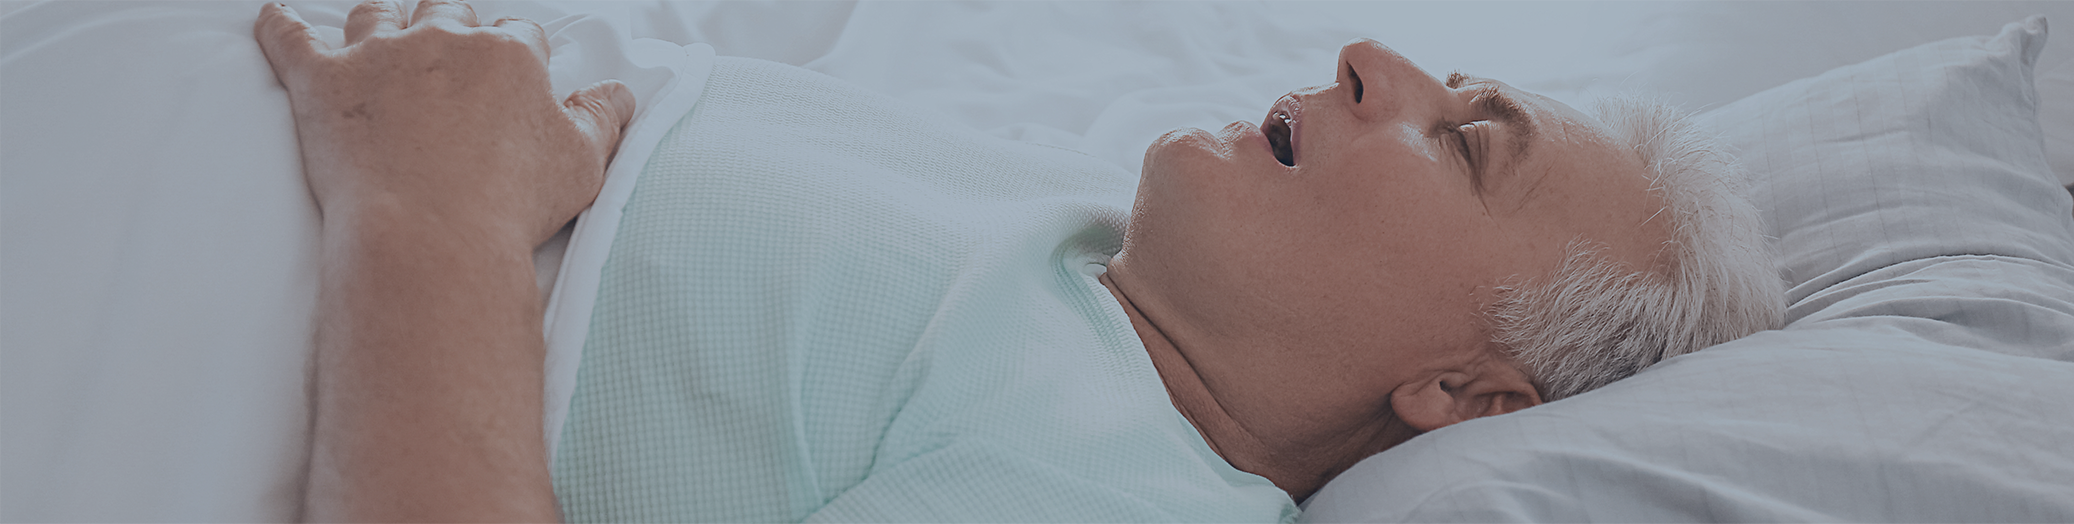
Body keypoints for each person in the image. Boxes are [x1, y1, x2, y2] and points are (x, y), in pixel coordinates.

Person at [253, 0, 1783, 523]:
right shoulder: (1086, 272)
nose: (1372, 55)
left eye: (1463, 140)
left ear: (1465, 389)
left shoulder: (1110, 488)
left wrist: (433, 212)